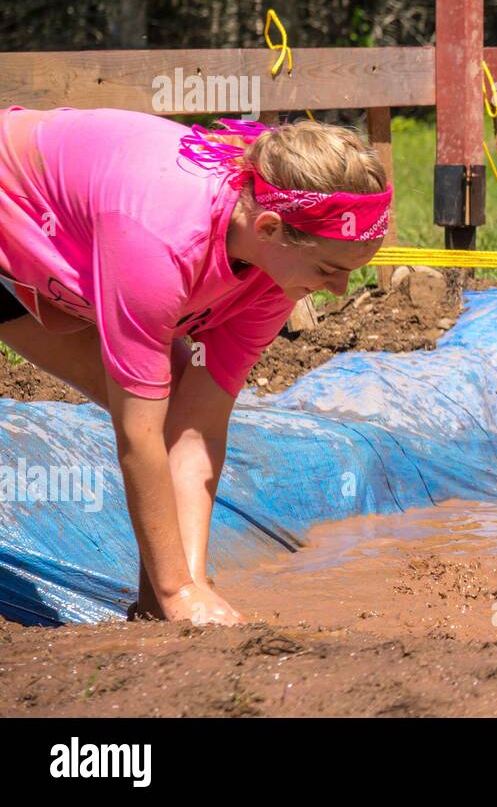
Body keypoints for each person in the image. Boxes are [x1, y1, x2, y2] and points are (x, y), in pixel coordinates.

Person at [0, 109, 391, 624]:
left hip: (72, 250)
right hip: (27, 214)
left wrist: (190, 587)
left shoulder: (275, 273)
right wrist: (178, 591)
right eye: (328, 269)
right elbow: (137, 436)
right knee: (147, 416)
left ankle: (154, 607)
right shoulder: (159, 239)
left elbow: (198, 424)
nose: (340, 290)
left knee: (178, 400)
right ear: (270, 227)